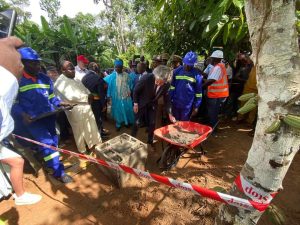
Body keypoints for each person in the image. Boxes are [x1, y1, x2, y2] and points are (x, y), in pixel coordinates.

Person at [11, 47, 73, 184]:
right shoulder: (17, 82)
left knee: (54, 142)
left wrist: (60, 103)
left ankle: (51, 163)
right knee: (47, 144)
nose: (37, 66)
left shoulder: (45, 79)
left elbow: (52, 98)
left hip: (49, 117)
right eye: (33, 63)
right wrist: (22, 114)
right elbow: (13, 103)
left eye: (38, 62)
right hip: (34, 121)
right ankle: (59, 172)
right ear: (22, 63)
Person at [0, 37, 42, 205]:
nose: (22, 67)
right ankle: (20, 195)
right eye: (24, 63)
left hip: (39, 120)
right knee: (18, 160)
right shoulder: (10, 85)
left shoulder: (43, 80)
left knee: (17, 161)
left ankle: (15, 193)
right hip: (27, 124)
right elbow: (15, 105)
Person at [54, 61, 102, 153]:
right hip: (75, 109)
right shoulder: (60, 82)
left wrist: (89, 94)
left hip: (86, 105)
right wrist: (87, 97)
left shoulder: (75, 79)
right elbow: (70, 96)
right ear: (62, 70)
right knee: (79, 130)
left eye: (73, 69)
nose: (73, 71)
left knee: (90, 127)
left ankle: (92, 144)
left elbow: (85, 89)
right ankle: (82, 149)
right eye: (70, 69)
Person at [132, 65, 174, 144]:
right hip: (141, 102)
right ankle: (132, 138)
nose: (157, 82)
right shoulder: (146, 78)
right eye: (156, 79)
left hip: (153, 104)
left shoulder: (167, 85)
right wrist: (135, 104)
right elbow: (135, 91)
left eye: (160, 81)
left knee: (152, 123)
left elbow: (167, 100)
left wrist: (170, 113)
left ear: (165, 81)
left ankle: (150, 141)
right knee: (137, 122)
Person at [169, 51, 203, 121]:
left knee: (184, 125)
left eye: (190, 64)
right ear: (184, 61)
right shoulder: (176, 71)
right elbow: (172, 87)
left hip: (187, 105)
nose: (187, 66)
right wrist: (169, 100)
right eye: (186, 63)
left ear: (193, 64)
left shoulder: (197, 75)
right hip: (175, 103)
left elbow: (199, 93)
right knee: (175, 123)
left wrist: (196, 107)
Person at [104, 59, 135, 131]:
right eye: (116, 67)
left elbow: (131, 85)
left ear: (122, 67)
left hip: (126, 97)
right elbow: (106, 84)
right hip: (116, 97)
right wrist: (108, 96)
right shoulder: (112, 76)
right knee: (117, 110)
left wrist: (129, 91)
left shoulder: (127, 76)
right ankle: (118, 124)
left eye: (119, 67)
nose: (117, 68)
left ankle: (127, 122)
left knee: (127, 109)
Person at [82, 62, 109, 139]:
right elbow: (101, 93)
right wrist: (103, 105)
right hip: (97, 101)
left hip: (88, 102)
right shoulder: (98, 78)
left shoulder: (84, 78)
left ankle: (100, 132)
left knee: (93, 118)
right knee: (98, 118)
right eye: (97, 66)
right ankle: (99, 135)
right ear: (94, 68)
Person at [202, 50, 229, 130]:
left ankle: (213, 128)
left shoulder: (217, 67)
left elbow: (211, 80)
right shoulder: (221, 66)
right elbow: (210, 77)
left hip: (215, 94)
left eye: (212, 58)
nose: (211, 59)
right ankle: (213, 126)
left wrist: (201, 87)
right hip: (218, 94)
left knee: (212, 112)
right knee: (214, 112)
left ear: (215, 58)